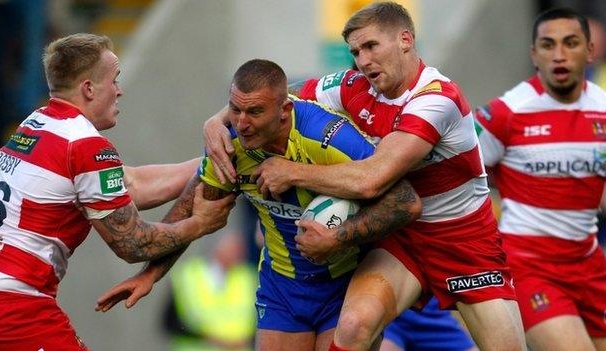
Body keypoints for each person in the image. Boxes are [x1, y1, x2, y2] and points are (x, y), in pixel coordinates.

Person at [204, 3, 525, 351]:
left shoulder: (436, 99)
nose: (363, 60)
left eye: (371, 46)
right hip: (401, 237)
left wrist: (293, 171)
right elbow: (278, 98)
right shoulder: (352, 86)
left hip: (462, 239)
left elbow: (372, 179)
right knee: (355, 325)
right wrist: (217, 120)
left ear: (405, 39)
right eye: (356, 51)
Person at [97, 58, 422, 351]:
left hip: (345, 284)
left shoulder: (328, 137)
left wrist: (338, 237)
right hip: (282, 287)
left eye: (254, 112)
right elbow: (192, 209)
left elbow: (405, 202)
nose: (241, 123)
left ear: (285, 111)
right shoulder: (229, 146)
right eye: (235, 110)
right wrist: (150, 274)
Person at [0, 33, 236, 351]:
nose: (120, 90)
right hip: (13, 305)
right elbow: (133, 243)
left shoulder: (38, 126)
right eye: (114, 80)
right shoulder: (85, 144)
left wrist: (215, 160)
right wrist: (200, 224)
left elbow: (131, 185)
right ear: (89, 88)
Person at [474, 8, 606, 351]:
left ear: (590, 51)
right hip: (530, 268)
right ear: (534, 54)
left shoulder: (603, 109)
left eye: (570, 43)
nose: (559, 55)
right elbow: (454, 173)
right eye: (548, 45)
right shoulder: (506, 112)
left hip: (590, 262)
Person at [164, 230, 257, 351]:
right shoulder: (188, 275)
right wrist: (207, 338)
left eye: (239, 250)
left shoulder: (248, 277)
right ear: (217, 249)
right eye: (233, 249)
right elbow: (170, 322)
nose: (238, 254)